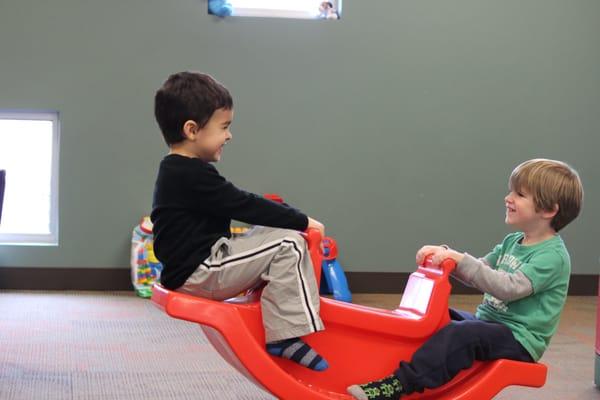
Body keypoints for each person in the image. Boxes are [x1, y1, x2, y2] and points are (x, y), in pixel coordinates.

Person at [347, 158, 584, 399]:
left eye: (520, 194)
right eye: (511, 191)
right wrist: (445, 258)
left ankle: (399, 385)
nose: (508, 198)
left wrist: (459, 259)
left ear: (548, 210)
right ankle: (391, 367)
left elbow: (507, 288)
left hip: (519, 338)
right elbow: (480, 269)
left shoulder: (552, 257)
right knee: (440, 318)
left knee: (463, 335)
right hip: (491, 322)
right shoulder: (513, 241)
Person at [151, 71, 328, 371]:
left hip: (198, 266)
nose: (229, 135)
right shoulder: (189, 173)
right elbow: (241, 203)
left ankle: (281, 314)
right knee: (291, 242)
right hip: (202, 271)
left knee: (279, 232)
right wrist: (301, 221)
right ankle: (286, 336)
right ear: (192, 130)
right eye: (224, 127)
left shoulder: (179, 171)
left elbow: (238, 200)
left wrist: (283, 214)